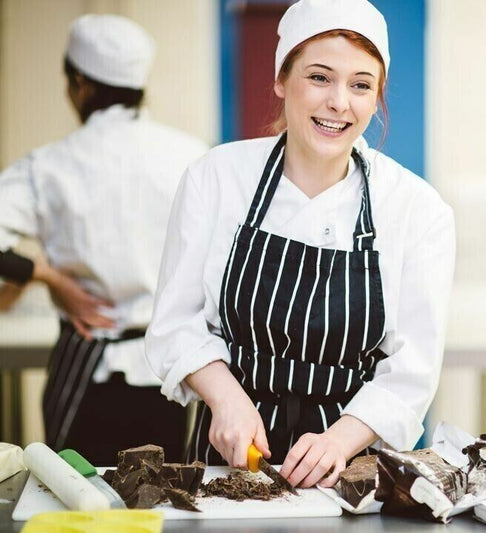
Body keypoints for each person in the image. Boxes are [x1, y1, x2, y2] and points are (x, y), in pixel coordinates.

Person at [145, 0, 455, 488]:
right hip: (229, 457)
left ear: (377, 98)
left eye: (360, 85)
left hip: (352, 470)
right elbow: (175, 324)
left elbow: (411, 371)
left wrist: (338, 440)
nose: (339, 102)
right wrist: (226, 398)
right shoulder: (217, 178)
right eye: (318, 77)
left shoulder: (417, 209)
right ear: (280, 80)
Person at [0, 14, 208, 463]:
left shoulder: (50, 164)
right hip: (169, 375)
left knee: (75, 500)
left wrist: (46, 276)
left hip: (87, 367)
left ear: (79, 83)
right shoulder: (192, 156)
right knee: (163, 508)